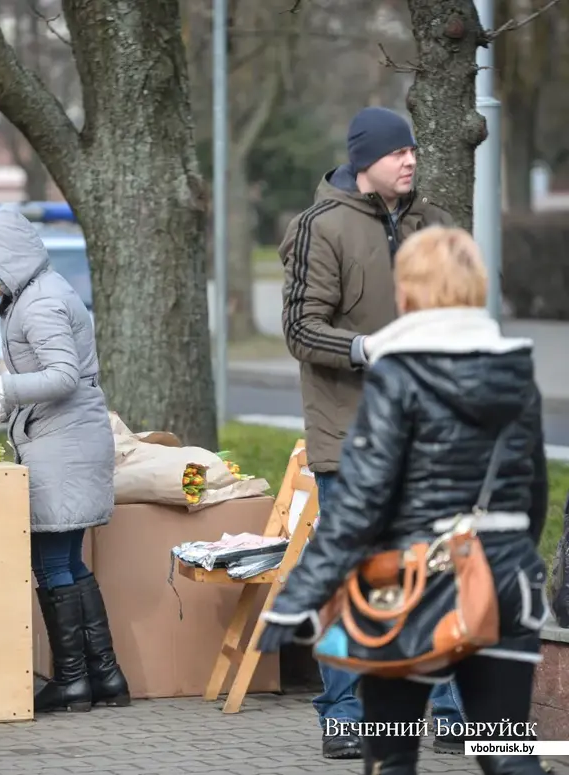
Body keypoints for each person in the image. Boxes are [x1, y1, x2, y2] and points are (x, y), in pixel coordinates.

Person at [258, 226, 549, 775]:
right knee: (507, 755)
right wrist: (504, 559)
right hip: (507, 583)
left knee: (391, 757)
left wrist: (299, 598)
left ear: (409, 292)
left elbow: (359, 504)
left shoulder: (397, 373)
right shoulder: (516, 372)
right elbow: (534, 497)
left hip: (412, 585)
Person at [279, 106, 465, 759]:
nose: (410, 160)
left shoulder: (430, 222)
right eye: (396, 153)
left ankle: (447, 710)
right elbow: (302, 330)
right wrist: (367, 347)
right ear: (364, 161)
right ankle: (342, 711)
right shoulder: (318, 229)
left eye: (413, 150)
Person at [0, 207, 130, 712]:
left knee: (50, 561)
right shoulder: (36, 293)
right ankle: (105, 676)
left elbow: (63, 376)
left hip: (62, 445)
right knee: (68, 561)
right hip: (62, 438)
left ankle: (73, 680)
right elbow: (41, 376)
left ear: (8, 258)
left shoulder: (41, 302)